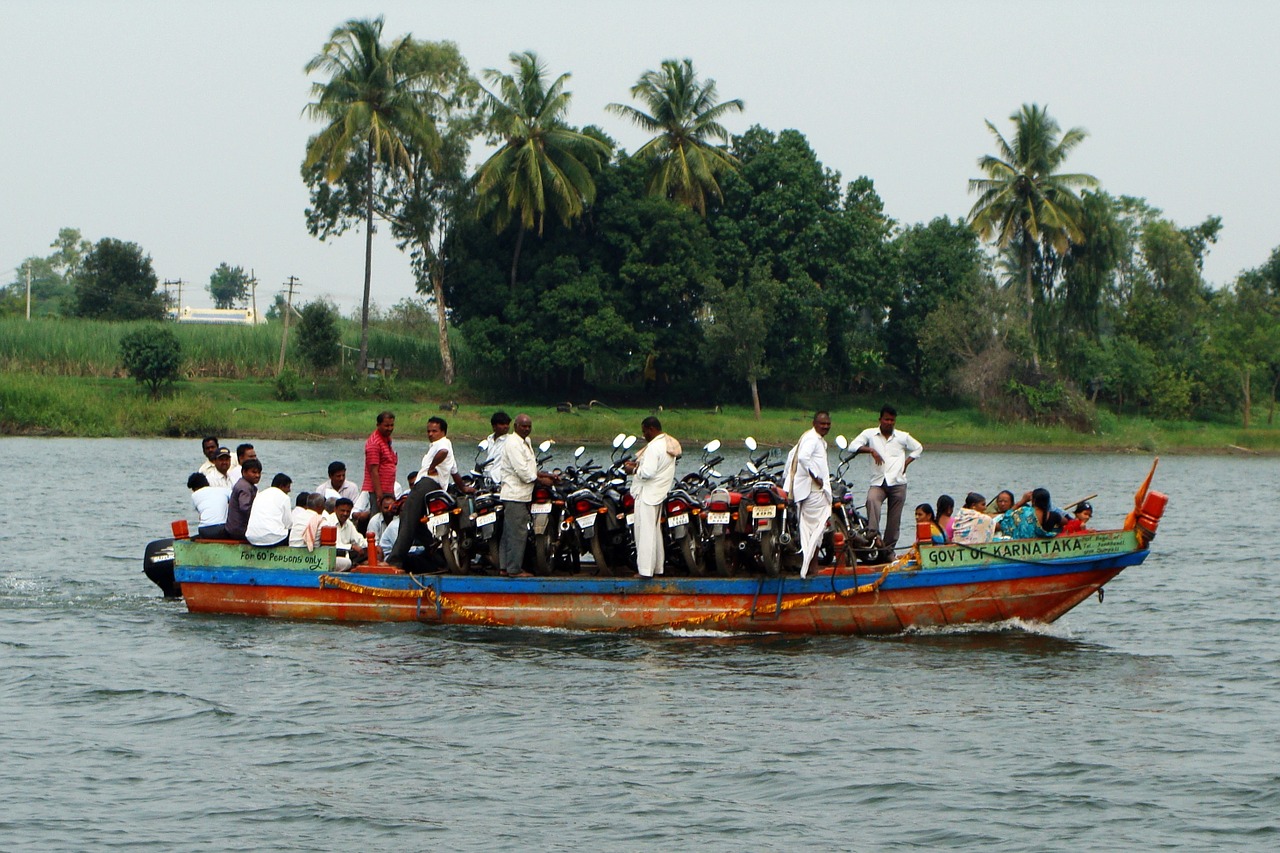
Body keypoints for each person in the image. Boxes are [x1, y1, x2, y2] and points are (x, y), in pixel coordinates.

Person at [848, 405, 924, 554]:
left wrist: (907, 462)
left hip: (898, 482)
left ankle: (888, 550)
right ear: (880, 419)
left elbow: (918, 447)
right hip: (878, 482)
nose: (889, 423)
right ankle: (873, 535)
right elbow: (853, 446)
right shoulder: (870, 434)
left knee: (894, 520)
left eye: (892, 420)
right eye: (886, 419)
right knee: (871, 500)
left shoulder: (902, 436)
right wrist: (871, 450)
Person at [497, 413, 555, 578]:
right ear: (515, 426)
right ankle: (514, 570)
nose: (527, 429)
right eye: (523, 426)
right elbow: (523, 472)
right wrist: (542, 481)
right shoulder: (513, 443)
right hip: (515, 494)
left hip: (522, 494)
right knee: (518, 533)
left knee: (509, 532)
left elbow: (529, 468)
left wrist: (546, 475)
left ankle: (504, 567)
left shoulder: (525, 442)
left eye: (529, 426)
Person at [623, 416, 682, 578]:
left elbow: (648, 472)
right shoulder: (668, 444)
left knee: (645, 534)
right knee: (654, 533)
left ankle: (645, 571)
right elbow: (655, 467)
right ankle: (657, 568)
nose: (644, 436)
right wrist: (638, 465)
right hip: (658, 493)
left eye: (644, 432)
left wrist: (632, 470)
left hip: (647, 495)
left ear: (651, 429)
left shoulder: (654, 447)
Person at [783, 411, 833, 578]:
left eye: (828, 424)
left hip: (811, 490)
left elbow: (792, 457)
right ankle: (812, 566)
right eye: (822, 423)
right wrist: (816, 477)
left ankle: (812, 565)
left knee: (814, 529)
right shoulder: (812, 439)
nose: (825, 426)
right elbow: (803, 458)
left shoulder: (813, 438)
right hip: (813, 491)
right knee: (815, 530)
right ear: (814, 423)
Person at [358, 411, 398, 523]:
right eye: (386, 425)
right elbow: (373, 471)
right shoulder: (374, 443)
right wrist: (379, 496)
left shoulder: (386, 440)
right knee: (377, 519)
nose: (389, 428)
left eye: (391, 425)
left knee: (389, 517)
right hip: (378, 490)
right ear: (378, 425)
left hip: (388, 488)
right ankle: (374, 539)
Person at [420, 416, 474, 495]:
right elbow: (454, 472)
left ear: (443, 432)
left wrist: (431, 468)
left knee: (408, 506)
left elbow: (443, 451)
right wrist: (463, 488)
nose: (430, 434)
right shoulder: (438, 445)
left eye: (434, 431)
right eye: (428, 431)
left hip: (428, 484)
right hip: (436, 489)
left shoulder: (442, 442)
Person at [994, 488, 1062, 540]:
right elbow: (1066, 521)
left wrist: (1021, 501)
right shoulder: (1054, 516)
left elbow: (1005, 520)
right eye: (1000, 501)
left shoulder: (1023, 511)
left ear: (1033, 500)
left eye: (1005, 501)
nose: (1003, 504)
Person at [246, 473, 293, 547]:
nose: (289, 490)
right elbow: (288, 523)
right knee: (294, 532)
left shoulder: (260, 494)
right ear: (281, 486)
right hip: (272, 539)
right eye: (288, 487)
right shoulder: (284, 497)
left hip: (252, 538)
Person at [225, 458, 262, 540]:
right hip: (239, 530)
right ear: (244, 472)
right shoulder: (245, 487)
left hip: (234, 527)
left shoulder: (245, 484)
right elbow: (245, 508)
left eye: (259, 473)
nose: (257, 475)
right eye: (254, 472)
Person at [187, 472, 231, 539]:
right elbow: (236, 500)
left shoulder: (194, 496)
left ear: (194, 488)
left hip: (203, 530)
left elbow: (200, 516)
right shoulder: (224, 490)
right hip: (221, 529)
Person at [326, 497, 366, 570]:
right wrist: (351, 546)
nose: (345, 514)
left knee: (367, 551)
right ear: (335, 509)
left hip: (348, 554)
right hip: (333, 554)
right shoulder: (328, 522)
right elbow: (332, 546)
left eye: (348, 511)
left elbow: (359, 540)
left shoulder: (349, 523)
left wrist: (374, 546)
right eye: (342, 511)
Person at [483, 411, 512, 484]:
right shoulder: (489, 438)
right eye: (502, 424)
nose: (506, 426)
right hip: (487, 478)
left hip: (500, 480)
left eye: (507, 424)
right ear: (494, 426)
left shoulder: (510, 440)